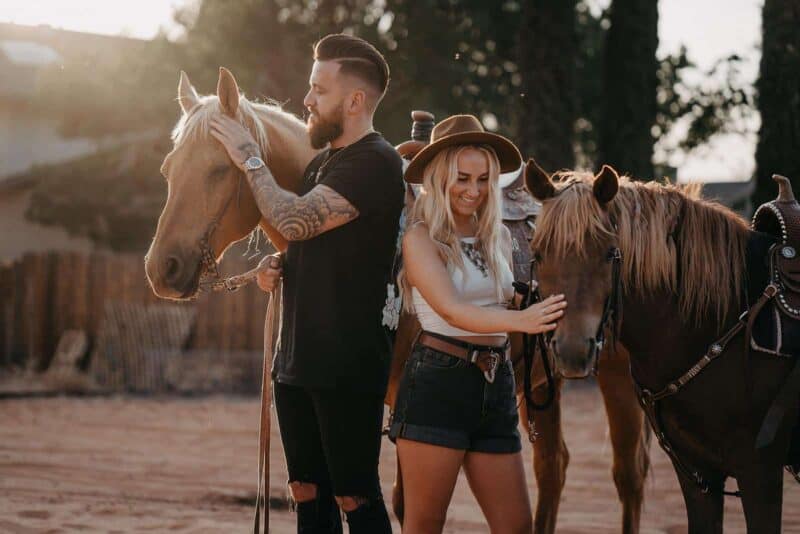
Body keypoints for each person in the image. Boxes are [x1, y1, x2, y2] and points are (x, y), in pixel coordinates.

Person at [210, 34, 403, 534]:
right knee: (306, 492)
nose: (307, 99)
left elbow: (296, 219)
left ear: (355, 100)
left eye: (319, 89)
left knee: (353, 495)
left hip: (346, 361)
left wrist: (250, 158)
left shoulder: (375, 162)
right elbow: (309, 239)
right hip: (295, 358)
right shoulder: (323, 164)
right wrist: (281, 265)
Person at [388, 115, 567, 534]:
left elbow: (496, 298)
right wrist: (521, 320)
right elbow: (450, 310)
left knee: (517, 527)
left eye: (484, 179)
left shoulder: (497, 238)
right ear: (439, 178)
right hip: (439, 382)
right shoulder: (420, 239)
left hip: (497, 381)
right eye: (463, 178)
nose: (474, 190)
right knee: (424, 527)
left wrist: (527, 303)